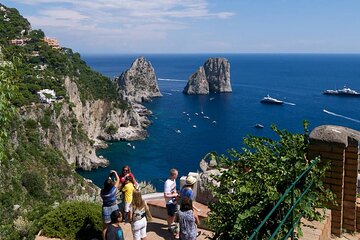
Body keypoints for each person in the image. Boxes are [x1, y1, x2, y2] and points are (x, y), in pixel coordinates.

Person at [101, 170, 120, 240]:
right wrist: (115, 173)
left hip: (106, 209)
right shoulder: (113, 191)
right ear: (111, 185)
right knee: (116, 224)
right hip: (114, 207)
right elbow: (118, 180)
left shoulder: (102, 192)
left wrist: (109, 176)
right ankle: (117, 237)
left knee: (105, 227)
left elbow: (107, 184)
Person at [164, 168, 179, 233]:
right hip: (170, 202)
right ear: (173, 175)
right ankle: (170, 227)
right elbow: (165, 195)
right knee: (171, 215)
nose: (177, 176)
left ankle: (170, 226)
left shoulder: (174, 180)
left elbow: (174, 188)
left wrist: (175, 193)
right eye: (176, 174)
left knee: (172, 214)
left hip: (174, 200)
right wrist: (174, 195)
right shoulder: (167, 183)